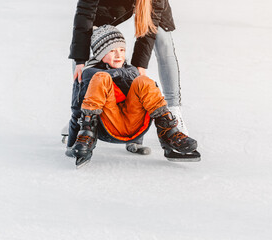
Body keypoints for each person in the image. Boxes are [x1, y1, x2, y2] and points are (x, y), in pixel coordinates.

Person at [66, 25, 200, 167]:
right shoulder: (89, 73)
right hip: (107, 124)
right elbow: (76, 109)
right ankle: (87, 135)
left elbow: (138, 104)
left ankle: (167, 132)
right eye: (112, 51)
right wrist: (71, 144)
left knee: (143, 81)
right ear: (100, 54)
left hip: (134, 124)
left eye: (122, 50)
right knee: (101, 77)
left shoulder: (131, 70)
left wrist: (136, 143)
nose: (118, 55)